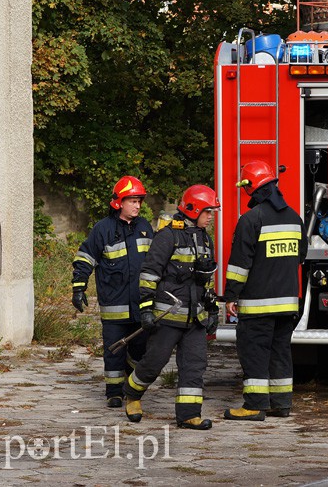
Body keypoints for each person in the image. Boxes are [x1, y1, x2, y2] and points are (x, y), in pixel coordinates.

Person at [122, 185, 220, 430]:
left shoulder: (204, 238)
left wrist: (213, 309)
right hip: (168, 314)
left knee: (195, 365)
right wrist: (146, 309)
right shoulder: (167, 236)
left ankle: (189, 415)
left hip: (195, 317)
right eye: (208, 212)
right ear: (194, 209)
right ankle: (132, 394)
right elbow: (149, 274)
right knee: (154, 362)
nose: (211, 217)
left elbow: (206, 278)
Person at [223, 161, 307, 421]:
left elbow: (239, 265)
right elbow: (300, 257)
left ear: (252, 188)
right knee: (280, 352)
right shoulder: (294, 218)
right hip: (288, 305)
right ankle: (281, 404)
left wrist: (231, 296)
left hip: (258, 305)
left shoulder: (251, 220)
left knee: (254, 352)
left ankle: (254, 405)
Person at [72, 176, 153, 408]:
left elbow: (156, 263)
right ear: (119, 202)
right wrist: (78, 287)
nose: (137, 206)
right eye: (132, 201)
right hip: (114, 305)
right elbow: (85, 258)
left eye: (139, 201)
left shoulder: (145, 229)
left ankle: (132, 388)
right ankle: (114, 392)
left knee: (140, 349)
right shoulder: (102, 230)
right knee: (114, 351)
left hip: (141, 305)